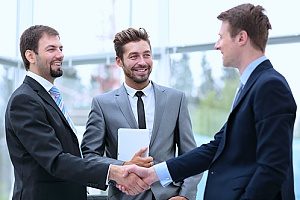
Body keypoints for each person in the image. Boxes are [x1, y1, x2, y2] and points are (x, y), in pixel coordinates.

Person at [121, 4, 297, 200]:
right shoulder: (252, 86)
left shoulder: (270, 86)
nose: (217, 45)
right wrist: (154, 173)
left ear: (241, 38)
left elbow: (273, 167)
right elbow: (215, 147)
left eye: (221, 37)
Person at [5, 25, 148, 200]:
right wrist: (114, 172)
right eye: (51, 49)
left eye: (61, 48)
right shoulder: (25, 100)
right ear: (30, 56)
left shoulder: (48, 97)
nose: (60, 54)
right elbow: (55, 160)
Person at [80, 27, 201, 200]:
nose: (142, 62)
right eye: (133, 56)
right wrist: (124, 166)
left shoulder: (176, 99)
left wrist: (185, 196)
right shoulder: (102, 104)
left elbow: (190, 155)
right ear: (119, 61)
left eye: (146, 54)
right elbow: (90, 157)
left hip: (169, 196)